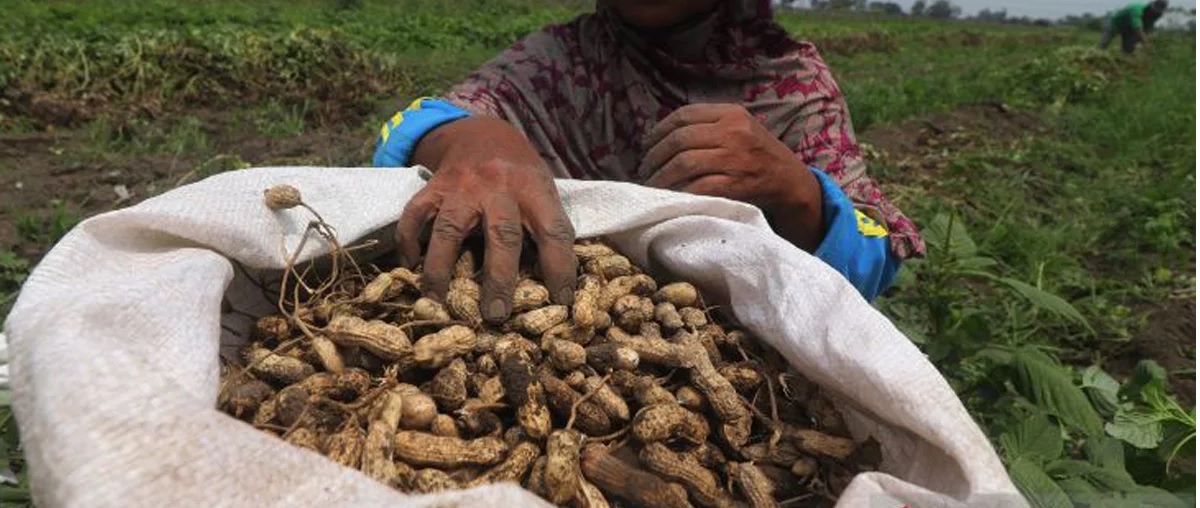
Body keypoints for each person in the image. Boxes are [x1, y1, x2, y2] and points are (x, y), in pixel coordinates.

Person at [371, 0, 924, 324]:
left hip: (735, 346)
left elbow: (874, 252)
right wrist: (476, 140)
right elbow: (422, 123)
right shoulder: (558, 63)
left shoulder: (796, 88)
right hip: (549, 315)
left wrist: (796, 191)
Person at [1100, 0, 1169, 53]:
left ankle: (1124, 59)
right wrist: (1147, 43)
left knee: (1129, 48)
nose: (1156, 14)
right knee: (1104, 44)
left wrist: (1149, 41)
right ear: (1151, 6)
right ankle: (1097, 55)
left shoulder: (1156, 15)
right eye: (1155, 11)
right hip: (1115, 23)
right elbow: (1138, 29)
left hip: (1129, 28)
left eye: (1158, 12)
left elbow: (1148, 28)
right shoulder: (1136, 8)